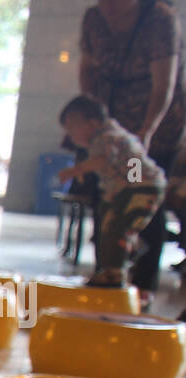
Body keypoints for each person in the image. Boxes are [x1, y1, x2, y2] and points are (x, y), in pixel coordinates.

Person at [79, 0, 185, 306]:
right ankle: (108, 273)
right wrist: (91, 121)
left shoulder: (160, 20)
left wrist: (145, 132)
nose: (108, 5)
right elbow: (86, 70)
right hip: (111, 129)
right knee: (107, 200)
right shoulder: (94, 19)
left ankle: (141, 284)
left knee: (137, 197)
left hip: (147, 136)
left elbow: (164, 84)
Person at [57, 95, 166, 287]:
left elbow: (104, 160)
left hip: (140, 188)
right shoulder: (112, 136)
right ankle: (129, 251)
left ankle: (114, 273)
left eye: (72, 129)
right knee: (111, 225)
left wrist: (77, 170)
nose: (71, 137)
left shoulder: (107, 138)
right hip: (133, 187)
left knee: (117, 228)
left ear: (91, 123)